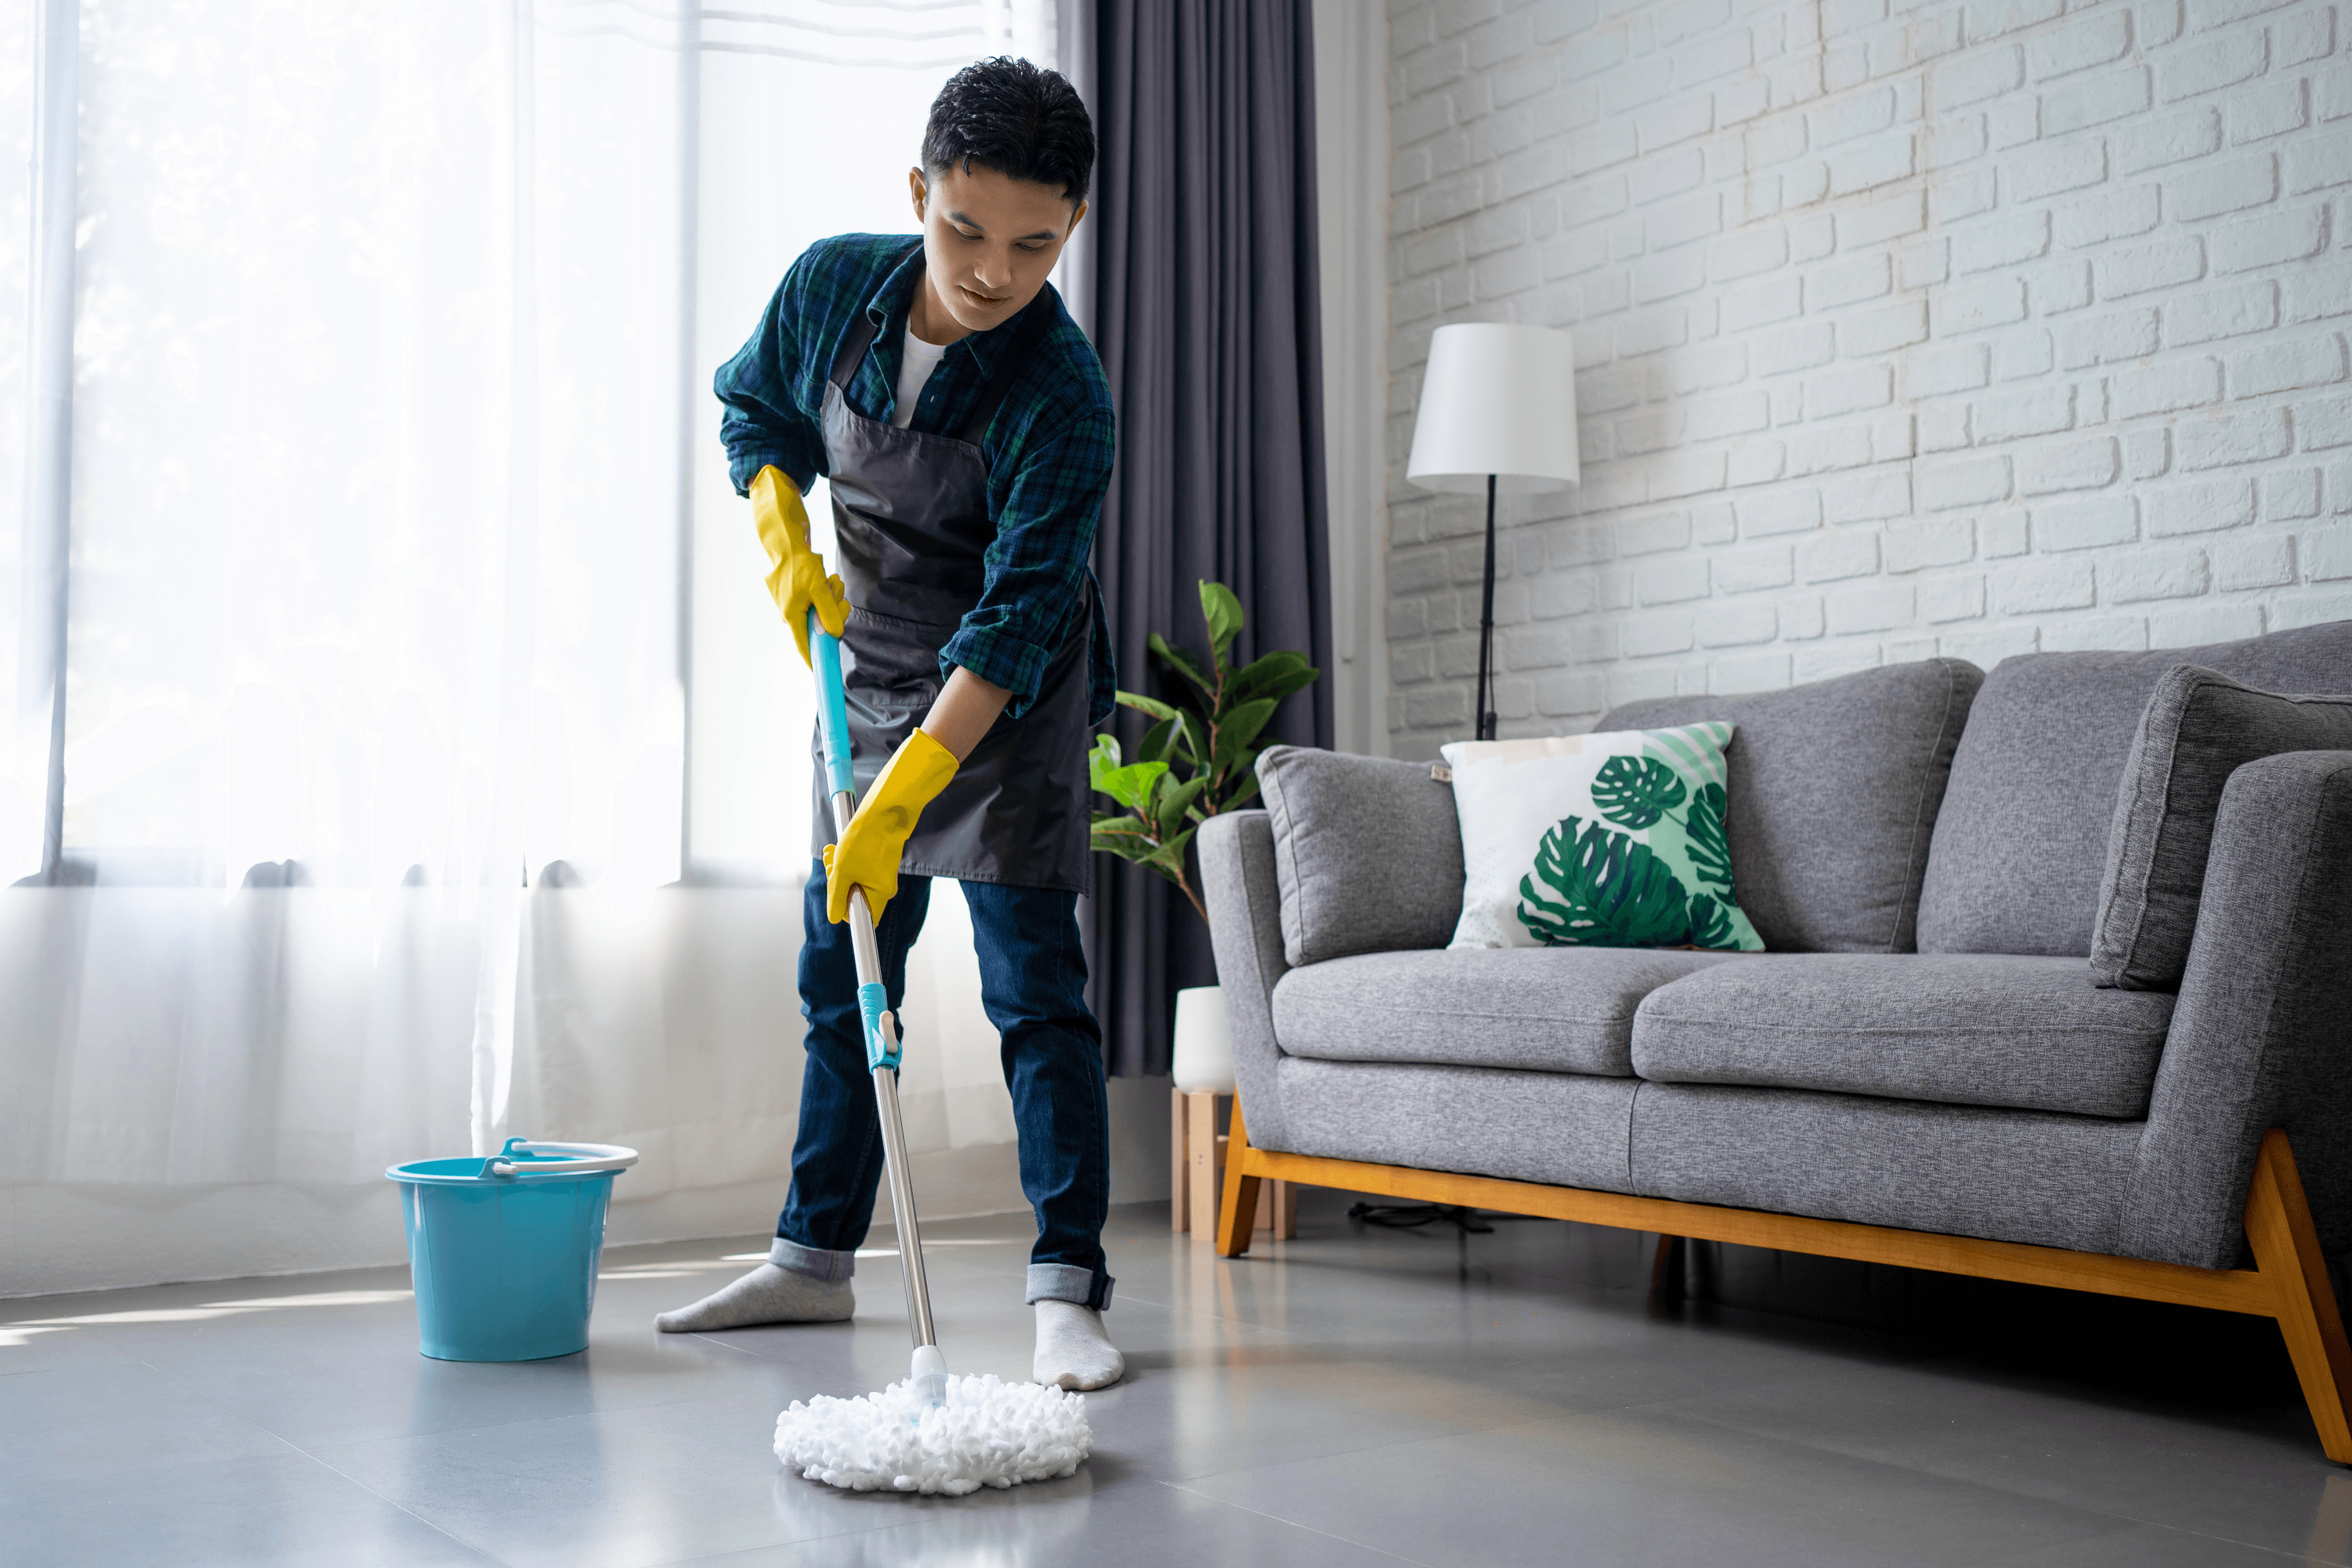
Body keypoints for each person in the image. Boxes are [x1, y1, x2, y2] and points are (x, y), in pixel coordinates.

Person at [655, 57, 1123, 1392]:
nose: (991, 270)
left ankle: (1066, 1288)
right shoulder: (832, 288)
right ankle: (811, 1257)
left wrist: (912, 789)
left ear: (1071, 228)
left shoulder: (1063, 395)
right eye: (964, 227)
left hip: (1004, 710)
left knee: (1035, 992)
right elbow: (752, 401)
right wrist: (776, 517)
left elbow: (1021, 617)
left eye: (1034, 244)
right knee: (843, 978)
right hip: (857, 679)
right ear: (919, 191)